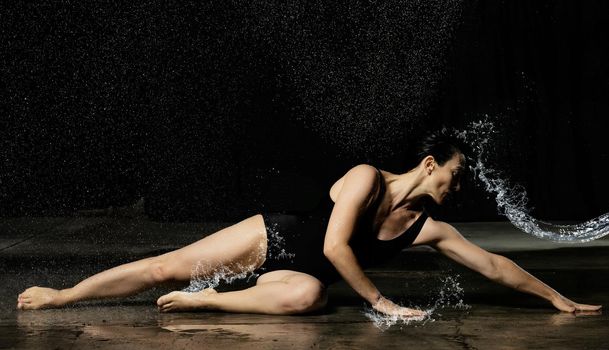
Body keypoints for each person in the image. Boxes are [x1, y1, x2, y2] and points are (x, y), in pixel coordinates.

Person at [16, 131, 601, 316]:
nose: (457, 186)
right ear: (430, 165)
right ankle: (63, 295)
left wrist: (557, 299)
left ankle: (209, 303)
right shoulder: (366, 176)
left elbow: (494, 265)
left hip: (300, 275)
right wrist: (382, 302)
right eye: (454, 175)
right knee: (166, 267)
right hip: (274, 237)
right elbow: (334, 243)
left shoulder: (426, 227)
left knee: (307, 297)